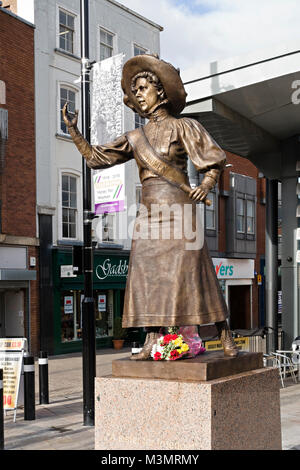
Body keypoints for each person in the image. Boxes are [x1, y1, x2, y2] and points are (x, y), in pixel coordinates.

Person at [62, 54, 238, 360]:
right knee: (146, 275)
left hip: (179, 209)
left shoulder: (185, 126)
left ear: (161, 91)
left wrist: (205, 186)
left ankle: (224, 333)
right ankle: (151, 339)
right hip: (148, 213)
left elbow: (214, 161)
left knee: (194, 272)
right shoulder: (135, 137)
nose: (138, 95)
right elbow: (96, 158)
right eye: (136, 91)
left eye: (143, 87)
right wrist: (75, 133)